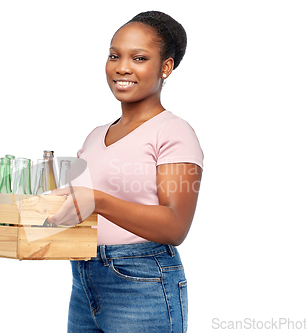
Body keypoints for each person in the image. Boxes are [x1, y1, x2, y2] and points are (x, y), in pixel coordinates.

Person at [47, 10, 203, 333]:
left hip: (142, 281)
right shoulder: (93, 136)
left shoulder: (173, 132)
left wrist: (98, 200)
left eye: (139, 57)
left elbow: (176, 226)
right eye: (114, 55)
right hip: (84, 279)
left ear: (166, 67)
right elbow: (81, 208)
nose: (122, 67)